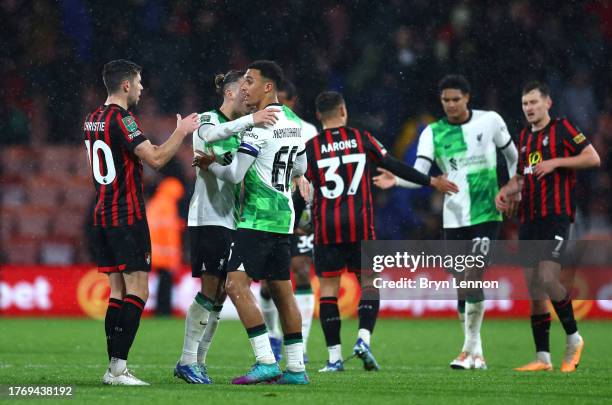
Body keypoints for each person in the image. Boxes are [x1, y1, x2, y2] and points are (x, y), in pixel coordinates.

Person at [305, 91, 458, 372]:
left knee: (328, 291)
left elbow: (300, 186)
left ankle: (334, 358)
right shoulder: (362, 139)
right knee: (370, 284)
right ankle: (363, 339)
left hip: (326, 226)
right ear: (343, 110)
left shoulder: (311, 147)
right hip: (360, 225)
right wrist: (430, 181)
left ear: (318, 116)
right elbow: (394, 165)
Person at [373, 74, 518, 370]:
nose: (451, 105)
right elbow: (422, 174)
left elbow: (514, 156)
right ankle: (477, 351)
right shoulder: (432, 133)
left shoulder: (490, 121)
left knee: (472, 277)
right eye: (445, 100)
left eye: (456, 99)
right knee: (461, 286)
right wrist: (397, 180)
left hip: (486, 213)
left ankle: (466, 350)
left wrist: (512, 187)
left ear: (467, 98)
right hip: (454, 217)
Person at [84, 59, 200, 385]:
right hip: (127, 214)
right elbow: (157, 159)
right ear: (125, 85)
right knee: (138, 290)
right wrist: (181, 132)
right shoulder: (123, 119)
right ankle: (118, 369)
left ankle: (114, 366)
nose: (141, 88)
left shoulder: (92, 119)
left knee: (117, 293)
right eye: (138, 82)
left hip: (102, 213)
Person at [198, 60, 310, 385]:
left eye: (250, 80)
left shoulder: (258, 127)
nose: (244, 86)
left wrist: (209, 164)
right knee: (282, 292)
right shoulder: (292, 120)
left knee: (235, 284)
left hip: (257, 217)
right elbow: (300, 166)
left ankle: (265, 361)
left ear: (268, 87)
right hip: (284, 217)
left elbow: (234, 174)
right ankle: (296, 369)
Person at [175, 70, 280, 384]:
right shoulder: (208, 119)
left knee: (220, 294)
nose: (249, 95)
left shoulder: (243, 129)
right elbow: (208, 140)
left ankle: (199, 361)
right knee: (210, 291)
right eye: (244, 88)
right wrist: (251, 121)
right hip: (208, 218)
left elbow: (231, 169)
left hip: (232, 219)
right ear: (231, 92)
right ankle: (186, 360)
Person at [496, 81, 600, 372]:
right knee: (534, 288)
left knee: (547, 276)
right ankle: (543, 357)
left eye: (534, 102)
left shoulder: (563, 128)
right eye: (525, 104)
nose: (529, 108)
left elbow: (593, 157)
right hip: (528, 218)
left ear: (547, 103)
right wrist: (504, 191)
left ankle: (574, 339)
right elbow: (521, 177)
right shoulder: (525, 139)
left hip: (555, 215)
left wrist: (555, 163)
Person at [259, 80, 318, 362]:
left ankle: (302, 343)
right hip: (270, 210)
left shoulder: (307, 130)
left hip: (299, 210)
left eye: (281, 100)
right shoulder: (259, 124)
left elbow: (311, 173)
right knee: (269, 282)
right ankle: (272, 334)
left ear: (292, 101)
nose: (276, 105)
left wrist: (308, 209)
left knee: (302, 270)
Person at [146, 177, 185, 316]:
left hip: (153, 251)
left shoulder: (155, 203)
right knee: (165, 282)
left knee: (161, 281)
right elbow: (170, 234)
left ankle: (159, 309)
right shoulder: (168, 205)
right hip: (165, 253)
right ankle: (163, 310)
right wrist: (175, 257)